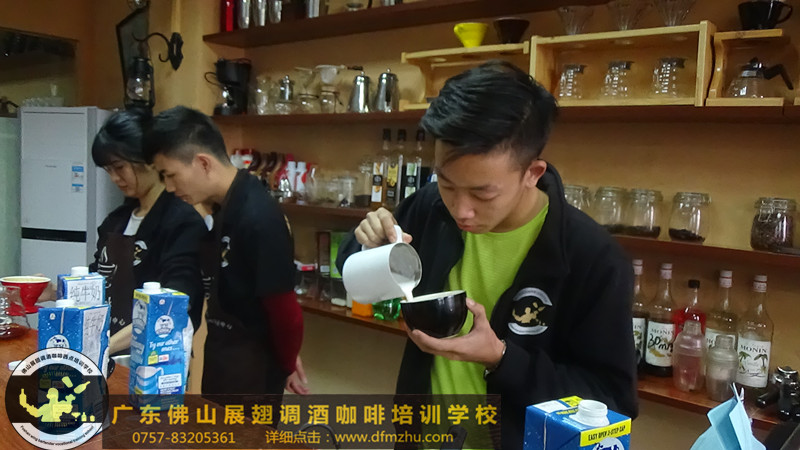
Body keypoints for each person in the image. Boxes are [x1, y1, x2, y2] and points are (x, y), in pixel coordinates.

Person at [336, 61, 638, 449]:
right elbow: (353, 276)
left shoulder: (592, 257)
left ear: (532, 173)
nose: (461, 210)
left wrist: (501, 357)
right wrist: (368, 248)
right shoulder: (432, 208)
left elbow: (613, 401)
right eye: (447, 184)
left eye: (483, 193)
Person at [143, 106, 308, 396]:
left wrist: (286, 361)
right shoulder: (223, 205)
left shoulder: (259, 215)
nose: (168, 187)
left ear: (203, 163)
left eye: (171, 175)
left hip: (253, 372)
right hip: (223, 359)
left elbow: (286, 312)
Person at [89, 110, 206, 355]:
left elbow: (174, 302)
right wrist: (54, 290)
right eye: (108, 170)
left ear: (149, 160)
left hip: (158, 359)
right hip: (108, 350)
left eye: (119, 167)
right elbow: (97, 280)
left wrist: (106, 346)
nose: (114, 178)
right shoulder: (116, 221)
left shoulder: (182, 222)